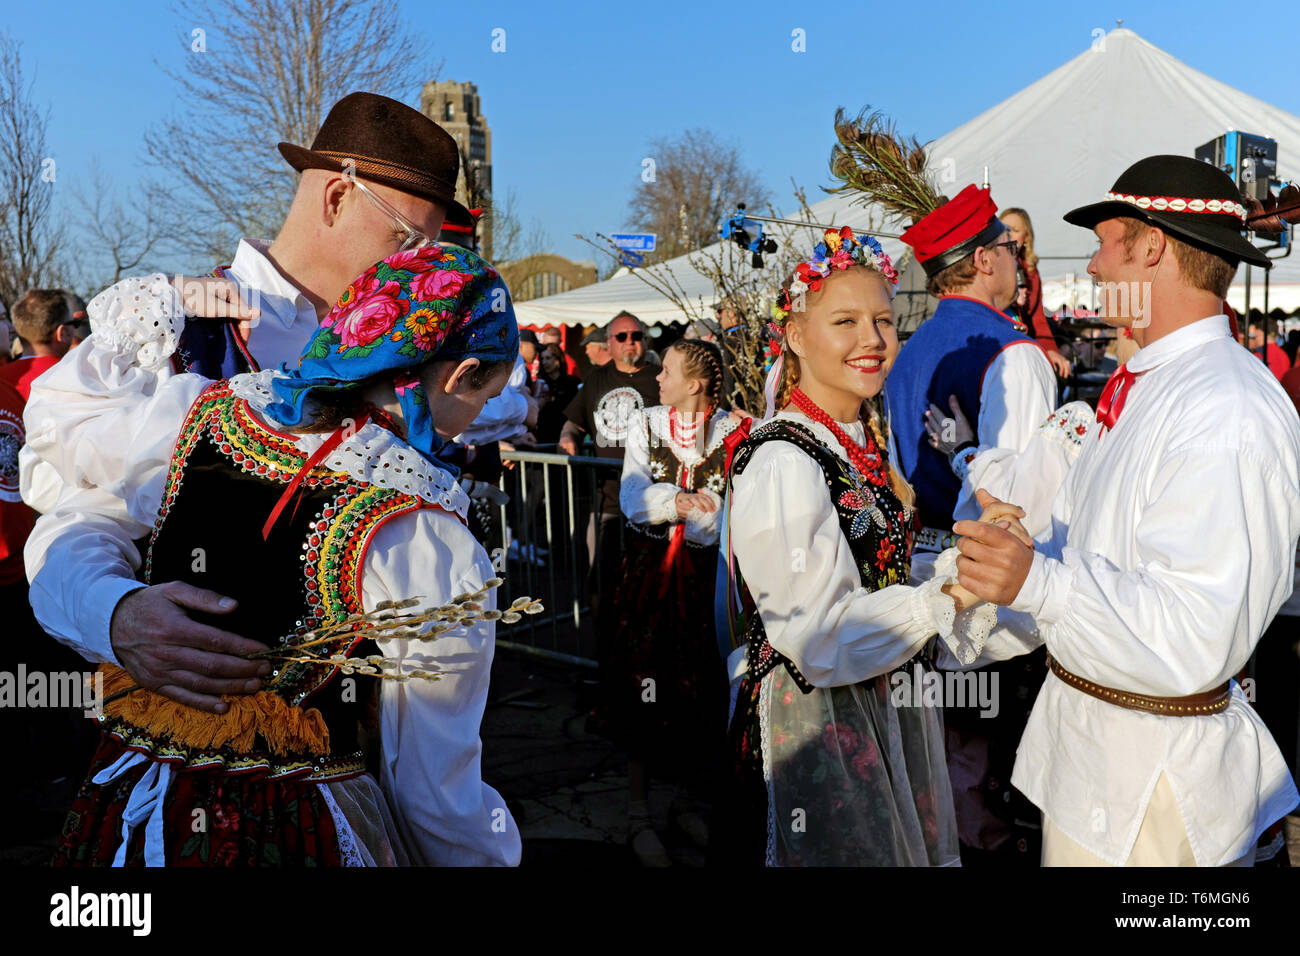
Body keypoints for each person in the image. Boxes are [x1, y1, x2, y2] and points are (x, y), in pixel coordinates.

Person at [47, 244, 522, 866]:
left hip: (138, 790)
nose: (475, 419)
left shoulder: (205, 412)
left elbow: (68, 479)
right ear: (457, 375)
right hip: (287, 824)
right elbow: (433, 790)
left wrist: (108, 605)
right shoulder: (426, 534)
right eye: (484, 397)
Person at [22, 92, 468, 713]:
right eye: (405, 238)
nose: (418, 267)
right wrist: (115, 613)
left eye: (428, 250)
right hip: (203, 739)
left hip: (358, 743)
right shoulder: (176, 331)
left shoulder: (405, 354)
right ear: (336, 198)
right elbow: (76, 519)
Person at [954, 154, 1300, 867]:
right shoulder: (1146, 385)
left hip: (1155, 794)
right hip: (1103, 768)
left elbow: (1196, 635)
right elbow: (1099, 563)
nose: (1093, 263)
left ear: (1152, 246)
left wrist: (1036, 580)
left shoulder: (1223, 406)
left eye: (1105, 241)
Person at [717, 227, 994, 867]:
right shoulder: (784, 459)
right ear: (795, 336)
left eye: (882, 322)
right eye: (845, 321)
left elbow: (877, 571)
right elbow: (814, 639)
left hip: (876, 700)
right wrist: (938, 601)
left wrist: (966, 563)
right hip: (815, 725)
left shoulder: (859, 440)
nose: (871, 340)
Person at [885, 184, 1057, 864]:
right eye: (1012, 250)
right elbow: (1021, 502)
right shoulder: (1011, 353)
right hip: (987, 585)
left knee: (944, 750)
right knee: (982, 768)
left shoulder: (909, 350)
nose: (1022, 263)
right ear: (984, 259)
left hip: (923, 569)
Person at [589, 338, 735, 865]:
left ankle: (683, 802)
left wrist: (707, 514)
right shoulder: (647, 423)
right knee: (642, 686)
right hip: (648, 579)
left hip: (707, 579)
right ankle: (638, 813)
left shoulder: (735, 431)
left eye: (667, 370)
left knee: (700, 687)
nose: (657, 378)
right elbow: (632, 498)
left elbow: (734, 511)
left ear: (694, 384)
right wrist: (676, 502)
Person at [1000, 207, 1071, 378]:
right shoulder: (990, 265)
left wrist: (1051, 350)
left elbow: (1038, 319)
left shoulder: (1030, 270)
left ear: (1026, 238)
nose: (1008, 234)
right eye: (1004, 228)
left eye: (1015, 230)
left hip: (1023, 346)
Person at [535, 342, 580, 445]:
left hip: (565, 435)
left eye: (548, 358)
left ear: (557, 360)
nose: (544, 362)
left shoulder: (572, 382)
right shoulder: (540, 384)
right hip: (543, 436)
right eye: (542, 359)